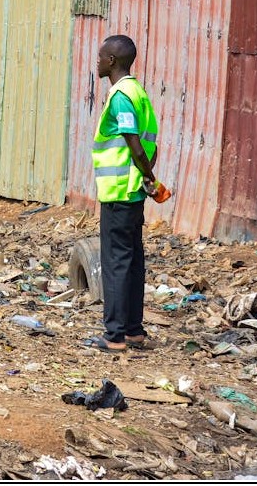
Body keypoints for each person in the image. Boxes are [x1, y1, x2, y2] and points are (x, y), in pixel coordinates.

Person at [85, 35, 159, 353]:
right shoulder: (139, 92)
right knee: (133, 261)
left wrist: (150, 178)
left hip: (120, 191)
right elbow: (150, 141)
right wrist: (147, 179)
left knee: (116, 262)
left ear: (112, 61)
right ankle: (133, 331)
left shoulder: (120, 96)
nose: (98, 61)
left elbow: (134, 143)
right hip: (134, 190)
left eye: (101, 57)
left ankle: (113, 336)